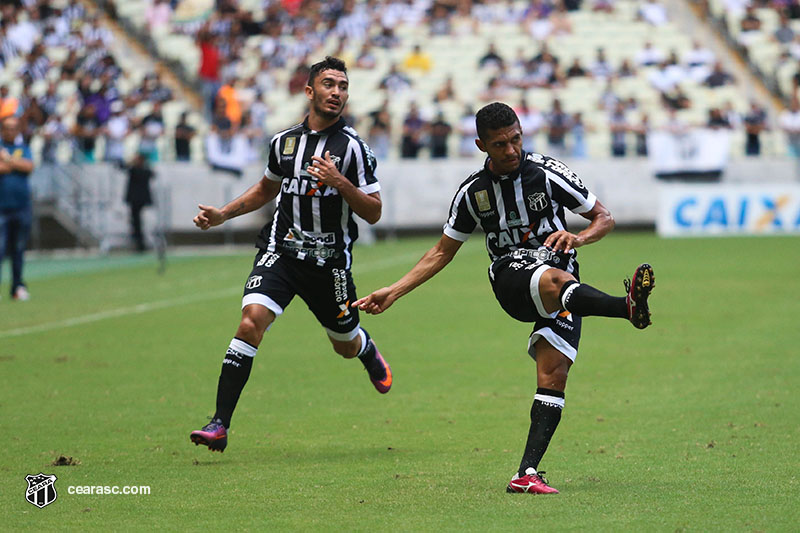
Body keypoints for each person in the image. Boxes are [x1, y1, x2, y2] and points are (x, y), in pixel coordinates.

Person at [353, 102, 655, 494]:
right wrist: (394, 290)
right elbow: (442, 251)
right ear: (481, 145)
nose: (511, 150)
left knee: (553, 375)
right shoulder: (472, 193)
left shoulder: (547, 173)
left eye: (516, 139)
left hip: (566, 286)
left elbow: (604, 217)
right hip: (512, 278)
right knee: (550, 278)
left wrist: (578, 237)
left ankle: (526, 474)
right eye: (500, 144)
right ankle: (624, 307)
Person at [189, 56, 392, 453]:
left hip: (330, 263)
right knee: (250, 323)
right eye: (329, 84)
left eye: (343, 86)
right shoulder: (284, 143)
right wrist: (223, 214)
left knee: (344, 344)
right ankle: (219, 424)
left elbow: (373, 211)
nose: (337, 92)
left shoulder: (353, 150)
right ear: (310, 91)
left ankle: (365, 348)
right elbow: (266, 190)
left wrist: (339, 182)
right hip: (280, 253)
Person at [0, 116, 35, 301]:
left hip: (22, 207)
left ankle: (17, 286)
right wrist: (14, 164)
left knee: (18, 249)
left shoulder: (23, 149)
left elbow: (28, 166)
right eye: (7, 128)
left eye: (14, 128)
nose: (10, 132)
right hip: (1, 207)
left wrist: (7, 160)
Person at [124, 152, 154, 252]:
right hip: (135, 200)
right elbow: (121, 166)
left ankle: (139, 242)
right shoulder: (135, 170)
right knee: (136, 221)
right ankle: (138, 242)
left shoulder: (142, 170)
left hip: (138, 200)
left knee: (137, 221)